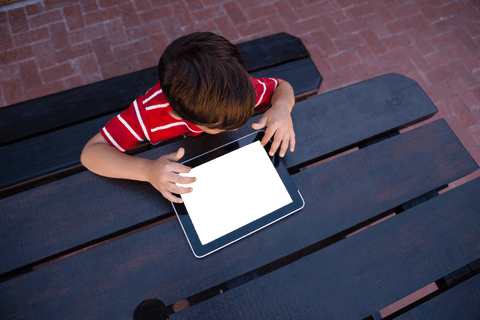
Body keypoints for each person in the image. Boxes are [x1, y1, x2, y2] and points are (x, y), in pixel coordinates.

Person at [81, 32, 296, 204]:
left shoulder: (240, 92)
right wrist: (147, 171)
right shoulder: (148, 115)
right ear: (177, 115)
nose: (232, 129)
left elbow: (282, 86)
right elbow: (91, 152)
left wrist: (282, 108)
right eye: (220, 126)